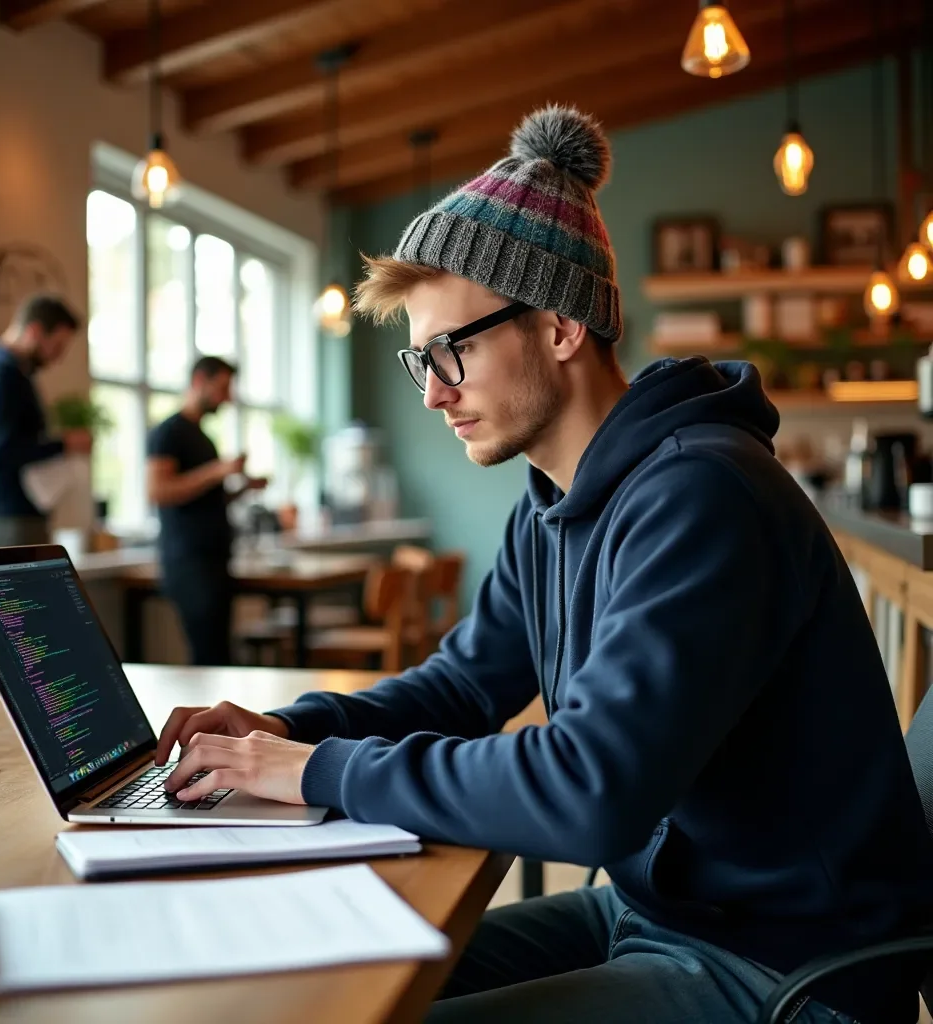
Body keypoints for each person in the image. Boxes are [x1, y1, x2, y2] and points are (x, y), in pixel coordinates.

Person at [152, 107, 933, 1023]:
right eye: (420, 359)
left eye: (455, 349)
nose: (436, 390)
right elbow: (461, 687)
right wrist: (282, 732)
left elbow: (589, 790)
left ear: (561, 326)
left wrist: (319, 769)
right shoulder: (553, 504)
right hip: (656, 913)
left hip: (786, 967)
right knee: (318, 990)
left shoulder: (704, 497)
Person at [146, 356, 264, 667]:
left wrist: (242, 487)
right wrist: (216, 471)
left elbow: (207, 501)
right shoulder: (168, 433)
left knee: (220, 653)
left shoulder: (203, 439)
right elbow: (159, 491)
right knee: (207, 657)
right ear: (199, 380)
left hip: (214, 561)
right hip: (189, 563)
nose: (227, 397)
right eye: (222, 387)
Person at [0, 294, 91, 547]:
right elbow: (3, 451)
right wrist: (65, 444)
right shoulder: (3, 373)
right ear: (35, 331)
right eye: (57, 346)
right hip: (7, 519)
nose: (57, 358)